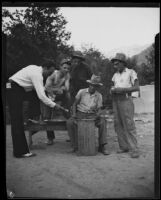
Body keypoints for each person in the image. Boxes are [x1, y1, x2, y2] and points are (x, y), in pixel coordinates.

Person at [7, 59, 62, 158]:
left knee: (18, 119)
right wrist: (54, 105)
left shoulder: (34, 67)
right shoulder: (37, 75)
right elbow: (41, 95)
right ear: (45, 68)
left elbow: (37, 91)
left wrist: (50, 98)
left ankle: (31, 118)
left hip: (15, 88)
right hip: (14, 89)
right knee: (17, 121)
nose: (49, 75)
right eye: (49, 72)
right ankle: (20, 152)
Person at [66, 75, 110, 155]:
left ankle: (102, 146)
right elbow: (75, 104)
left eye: (95, 86)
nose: (93, 87)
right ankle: (74, 146)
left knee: (103, 122)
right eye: (92, 85)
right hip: (80, 113)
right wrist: (74, 114)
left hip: (92, 115)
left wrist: (97, 115)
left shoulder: (99, 95)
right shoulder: (82, 92)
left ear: (97, 87)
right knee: (70, 122)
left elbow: (99, 109)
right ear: (89, 84)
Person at [110, 53, 140, 158]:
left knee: (129, 124)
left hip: (126, 99)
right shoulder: (115, 75)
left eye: (117, 63)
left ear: (123, 63)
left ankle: (134, 149)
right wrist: (112, 90)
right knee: (118, 124)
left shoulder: (131, 72)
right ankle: (123, 147)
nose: (115, 66)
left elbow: (137, 88)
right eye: (114, 64)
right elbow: (113, 87)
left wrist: (122, 90)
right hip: (116, 100)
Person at [42, 58, 71, 145]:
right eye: (64, 68)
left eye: (68, 68)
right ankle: (50, 138)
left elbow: (67, 88)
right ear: (60, 67)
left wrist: (62, 89)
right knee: (47, 117)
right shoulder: (53, 75)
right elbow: (46, 88)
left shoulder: (67, 75)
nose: (66, 70)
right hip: (48, 94)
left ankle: (72, 134)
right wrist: (58, 89)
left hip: (58, 95)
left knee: (67, 99)